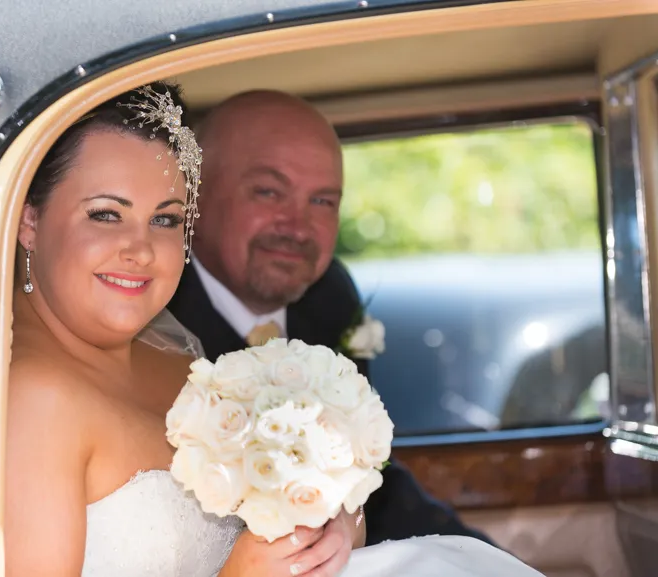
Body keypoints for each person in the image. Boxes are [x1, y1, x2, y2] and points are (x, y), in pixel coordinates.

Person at [5, 81, 544, 577]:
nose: (141, 248)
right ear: (29, 220)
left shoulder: (179, 362)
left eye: (165, 219)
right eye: (105, 214)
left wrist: (332, 522)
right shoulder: (36, 400)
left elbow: (283, 507)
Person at [167, 89, 491, 547]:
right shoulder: (152, 312)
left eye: (322, 201)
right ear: (195, 193)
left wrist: (483, 559)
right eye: (268, 191)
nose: (297, 227)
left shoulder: (331, 298)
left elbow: (368, 482)